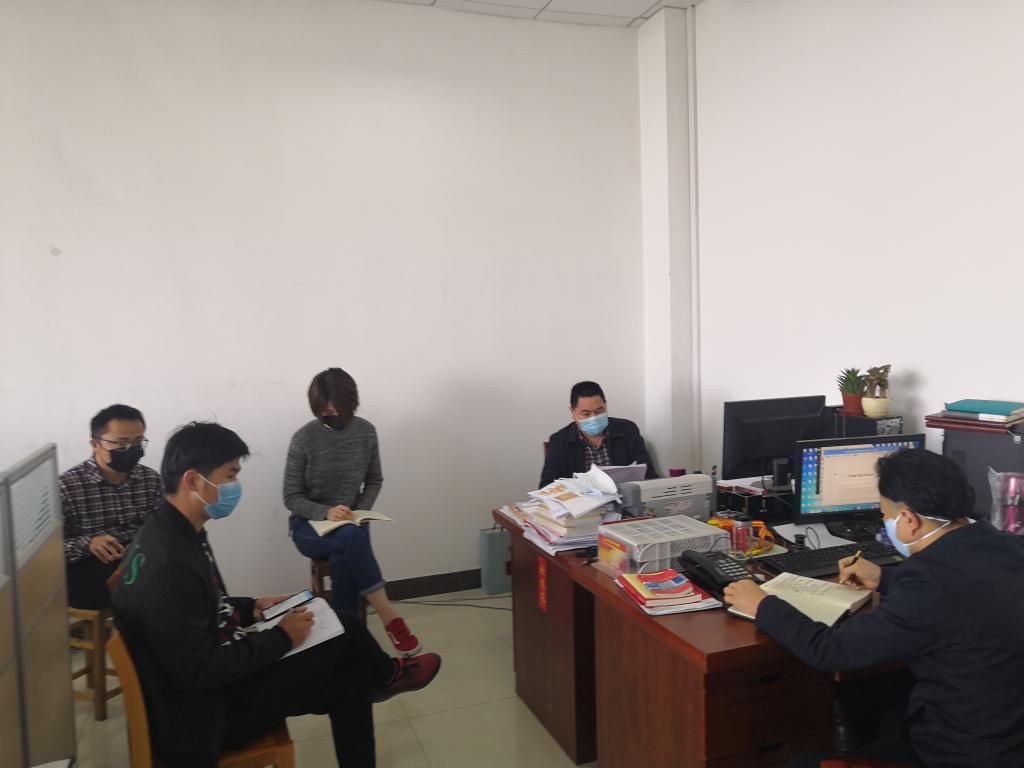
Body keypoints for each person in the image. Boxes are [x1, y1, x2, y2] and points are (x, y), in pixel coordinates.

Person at [111, 421, 440, 768]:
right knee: (344, 628)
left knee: (350, 675)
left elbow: (195, 608)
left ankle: (383, 676)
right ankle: (387, 674)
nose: (235, 487)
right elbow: (199, 671)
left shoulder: (168, 530)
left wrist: (252, 608)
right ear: (193, 480)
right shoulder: (171, 564)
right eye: (229, 476)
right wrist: (282, 638)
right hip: (208, 717)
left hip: (211, 688)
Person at [724, 448, 1024, 768]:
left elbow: (830, 650)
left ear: (908, 519)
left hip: (966, 752)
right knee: (876, 701)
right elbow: (963, 594)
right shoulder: (1008, 545)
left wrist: (763, 605)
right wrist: (884, 578)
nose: (884, 521)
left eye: (884, 514)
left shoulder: (930, 583)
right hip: (1008, 732)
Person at [284, 367, 420, 655]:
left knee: (344, 555)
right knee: (351, 538)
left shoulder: (365, 432)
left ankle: (345, 641)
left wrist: (358, 511)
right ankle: (390, 619)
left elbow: (374, 480)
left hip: (352, 524)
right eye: (325, 410)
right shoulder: (303, 439)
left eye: (338, 408)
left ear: (351, 403)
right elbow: (291, 496)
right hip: (309, 528)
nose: (332, 414)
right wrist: (326, 512)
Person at [60, 404, 163, 609]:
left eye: (138, 442)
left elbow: (164, 526)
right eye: (121, 444)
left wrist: (143, 542)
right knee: (149, 593)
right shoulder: (66, 486)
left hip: (140, 555)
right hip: (89, 565)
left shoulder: (150, 479)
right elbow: (49, 551)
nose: (130, 450)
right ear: (95, 444)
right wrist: (88, 543)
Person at [539, 380, 658, 488]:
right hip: (583, 503)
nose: (594, 418)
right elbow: (547, 486)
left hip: (625, 499)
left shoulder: (627, 430)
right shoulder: (559, 441)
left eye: (599, 411)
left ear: (606, 405)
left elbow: (648, 473)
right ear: (572, 412)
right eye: (586, 414)